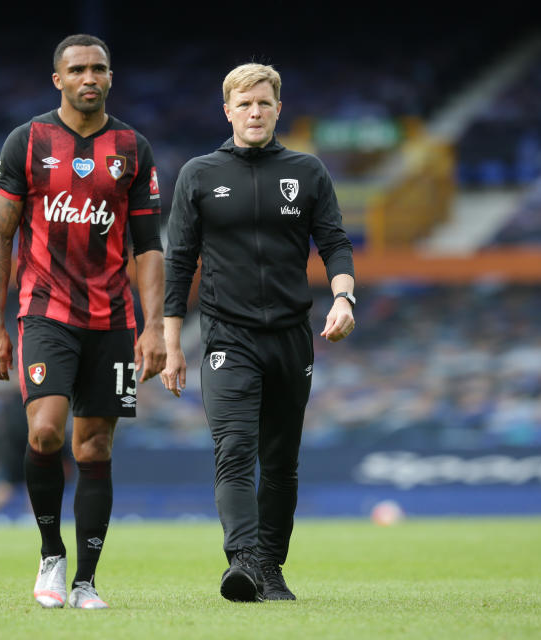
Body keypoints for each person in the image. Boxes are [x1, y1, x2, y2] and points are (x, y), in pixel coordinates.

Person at [0, 34, 166, 610]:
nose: (91, 77)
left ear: (111, 77)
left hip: (113, 318)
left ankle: (86, 581)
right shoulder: (27, 142)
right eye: (79, 69)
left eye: (100, 69)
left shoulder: (133, 148)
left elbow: (148, 247)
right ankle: (50, 555)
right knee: (45, 432)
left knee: (95, 446)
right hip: (45, 313)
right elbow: (0, 236)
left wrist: (154, 327)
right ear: (57, 79)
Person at [161, 63, 356, 602]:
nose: (254, 112)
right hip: (227, 337)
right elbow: (178, 262)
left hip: (292, 337)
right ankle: (243, 559)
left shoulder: (308, 172)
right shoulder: (199, 174)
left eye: (263, 104)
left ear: (277, 109)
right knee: (234, 447)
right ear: (227, 111)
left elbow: (335, 243)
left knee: (281, 460)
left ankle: (270, 566)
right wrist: (171, 340)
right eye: (244, 104)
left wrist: (343, 296)